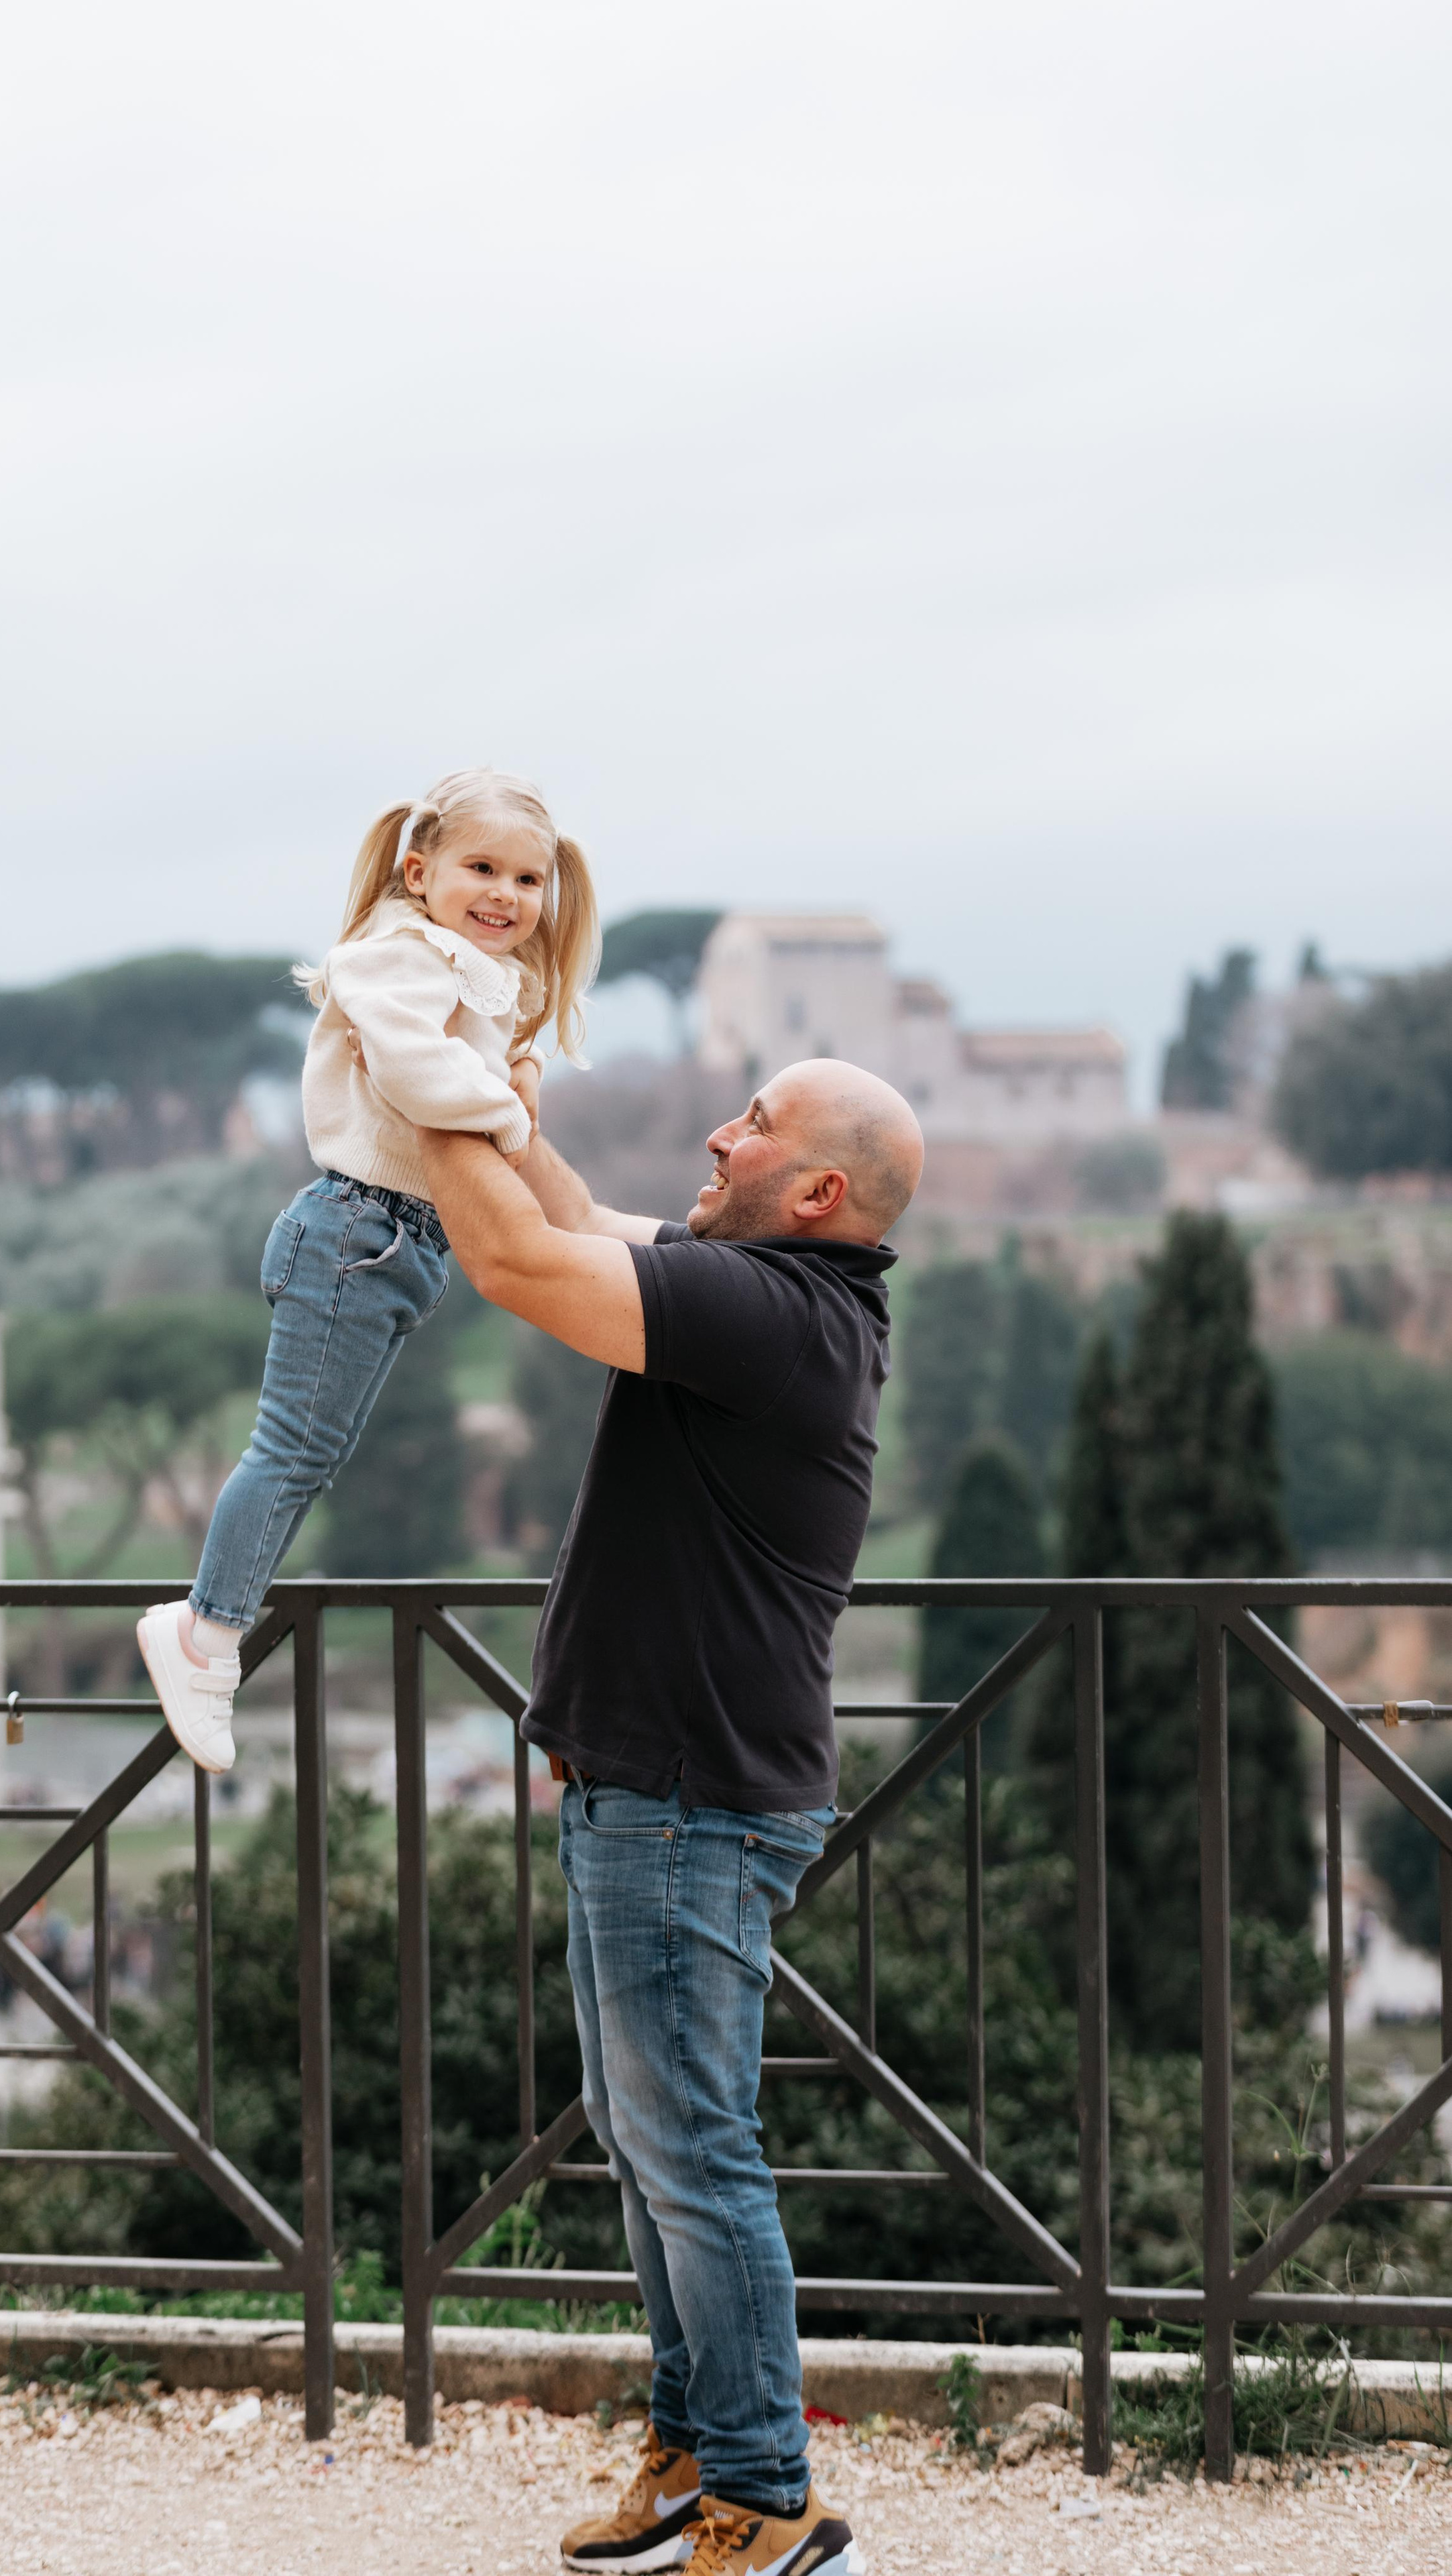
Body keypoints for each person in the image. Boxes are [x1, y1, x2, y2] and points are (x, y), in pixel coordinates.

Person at [414, 1059, 924, 2576]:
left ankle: (767, 2496)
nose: (720, 1131)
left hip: (687, 1802)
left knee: (691, 2149)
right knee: (655, 2152)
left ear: (816, 1192)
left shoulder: (768, 1314)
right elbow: (568, 1211)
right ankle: (700, 2453)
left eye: (755, 1121)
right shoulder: (756, 1292)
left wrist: (410, 1087)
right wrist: (492, 1105)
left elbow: (512, 1259)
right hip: (654, 1792)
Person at [138, 767, 598, 1772]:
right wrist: (515, 1112)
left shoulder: (472, 970)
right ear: (418, 868)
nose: (506, 895)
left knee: (311, 1456)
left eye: (528, 880)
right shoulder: (398, 956)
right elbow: (415, 1072)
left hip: (396, 1245)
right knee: (290, 1451)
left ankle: (209, 1631)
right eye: (482, 868)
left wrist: (514, 1071)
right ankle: (203, 1639)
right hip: (356, 1232)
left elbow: (470, 1070)